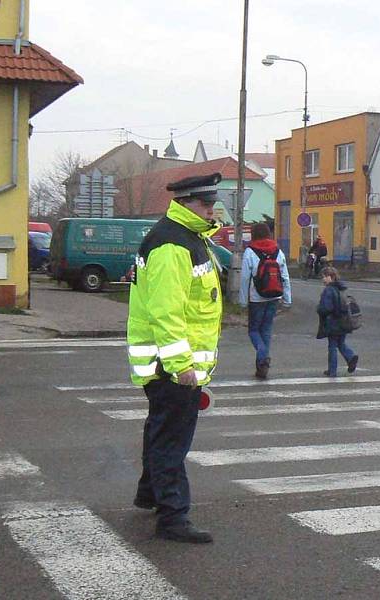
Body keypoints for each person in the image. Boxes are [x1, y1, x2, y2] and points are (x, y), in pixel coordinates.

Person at [127, 172, 224, 544]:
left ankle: (150, 493)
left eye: (212, 203)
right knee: (172, 441)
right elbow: (166, 312)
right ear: (185, 203)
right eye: (206, 203)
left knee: (160, 430)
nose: (212, 210)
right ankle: (173, 517)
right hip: (173, 368)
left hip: (167, 365)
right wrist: (181, 365)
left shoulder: (185, 238)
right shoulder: (172, 245)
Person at [238, 222, 292, 379]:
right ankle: (261, 368)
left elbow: (244, 279)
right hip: (274, 296)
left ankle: (262, 356)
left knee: (253, 330)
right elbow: (285, 277)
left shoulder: (250, 251)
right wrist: (287, 299)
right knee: (266, 330)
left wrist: (242, 301)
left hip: (257, 298)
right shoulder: (277, 251)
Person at [316, 266, 358, 377]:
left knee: (332, 346)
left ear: (331, 277)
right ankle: (351, 356)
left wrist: (319, 309)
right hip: (344, 322)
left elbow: (326, 308)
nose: (323, 279)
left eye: (325, 276)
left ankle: (332, 370)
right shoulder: (341, 289)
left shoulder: (329, 290)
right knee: (341, 343)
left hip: (333, 323)